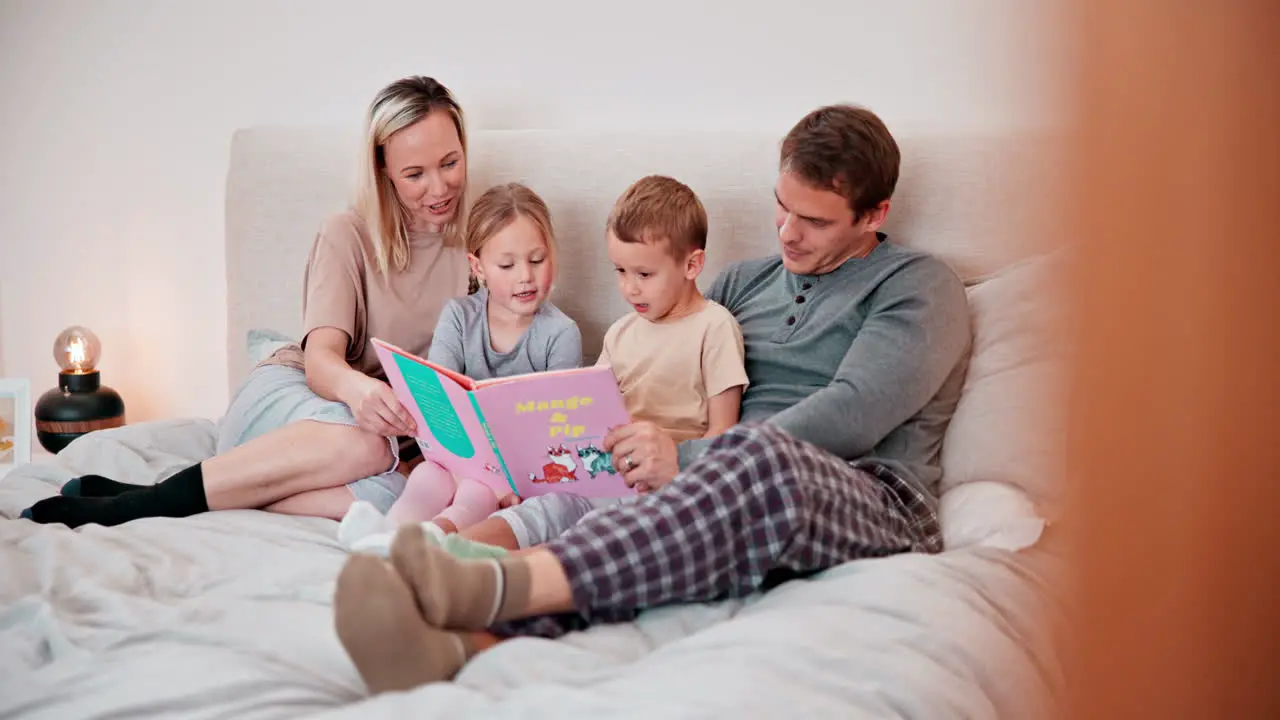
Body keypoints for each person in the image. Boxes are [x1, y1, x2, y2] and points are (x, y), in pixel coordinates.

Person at [332, 102, 975, 694]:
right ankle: (460, 639)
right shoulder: (744, 283)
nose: (785, 233)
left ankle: (487, 580)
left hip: (867, 495)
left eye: (813, 221)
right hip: (726, 488)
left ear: (875, 215)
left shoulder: (918, 287)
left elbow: (855, 411)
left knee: (757, 462)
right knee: (617, 511)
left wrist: (693, 460)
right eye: (781, 207)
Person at [22, 76, 474, 527]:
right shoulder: (348, 234)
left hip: (382, 438)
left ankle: (176, 493)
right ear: (384, 173)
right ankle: (137, 507)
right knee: (368, 446)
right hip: (299, 398)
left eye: (450, 163)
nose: (438, 188)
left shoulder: (482, 246)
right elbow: (321, 362)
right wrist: (361, 391)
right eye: (415, 174)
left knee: (402, 498)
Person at [468, 174, 749, 551]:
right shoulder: (619, 333)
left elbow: (724, 437)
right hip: (599, 472)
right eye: (620, 271)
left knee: (589, 538)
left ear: (692, 264)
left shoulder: (714, 328)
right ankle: (435, 552)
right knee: (537, 512)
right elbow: (586, 412)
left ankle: (501, 580)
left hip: (659, 487)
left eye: (644, 274)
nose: (629, 288)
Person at [384, 182, 583, 529]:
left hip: (521, 473)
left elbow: (555, 433)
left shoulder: (560, 334)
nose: (526, 276)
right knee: (429, 475)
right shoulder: (459, 317)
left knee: (478, 491)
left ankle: (437, 537)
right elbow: (438, 403)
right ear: (478, 268)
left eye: (537, 260)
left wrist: (498, 479)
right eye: (507, 265)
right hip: (457, 457)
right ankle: (383, 533)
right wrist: (460, 466)